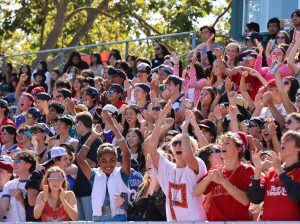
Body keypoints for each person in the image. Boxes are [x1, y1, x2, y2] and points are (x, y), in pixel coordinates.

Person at [148, 102, 207, 221]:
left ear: (193, 148)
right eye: (175, 143)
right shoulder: (167, 169)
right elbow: (152, 148)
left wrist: (185, 130)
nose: (179, 146)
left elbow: (188, 155)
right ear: (171, 149)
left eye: (183, 143)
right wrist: (160, 120)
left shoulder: (198, 164)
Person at [77, 110, 131, 221]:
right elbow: (80, 159)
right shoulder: (94, 175)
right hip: (98, 220)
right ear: (98, 161)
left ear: (116, 160)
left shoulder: (122, 173)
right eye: (103, 161)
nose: (108, 164)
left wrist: (113, 127)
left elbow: (126, 153)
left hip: (119, 219)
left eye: (112, 160)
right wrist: (92, 137)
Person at [193, 131, 254, 221]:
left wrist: (222, 181)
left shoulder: (247, 170)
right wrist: (208, 178)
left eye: (227, 143)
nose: (222, 146)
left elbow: (245, 201)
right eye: (222, 143)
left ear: (239, 149)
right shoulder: (216, 169)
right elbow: (195, 192)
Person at [248, 131, 300, 221]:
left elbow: (295, 195)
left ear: (298, 147)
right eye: (282, 140)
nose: (282, 142)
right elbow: (255, 198)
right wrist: (258, 170)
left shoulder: (292, 171)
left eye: (288, 140)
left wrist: (279, 170)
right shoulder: (272, 171)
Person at [73, 111, 102, 221]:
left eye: (75, 123)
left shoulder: (94, 139)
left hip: (90, 188)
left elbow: (93, 163)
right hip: (81, 187)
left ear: (80, 123)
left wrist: (76, 154)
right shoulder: (83, 139)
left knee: (90, 221)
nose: (74, 126)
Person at [0, 150, 37, 222]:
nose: (14, 163)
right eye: (14, 160)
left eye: (18, 161)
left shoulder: (37, 184)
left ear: (28, 165)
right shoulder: (9, 184)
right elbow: (3, 207)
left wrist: (21, 200)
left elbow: (36, 212)